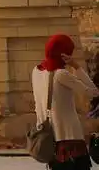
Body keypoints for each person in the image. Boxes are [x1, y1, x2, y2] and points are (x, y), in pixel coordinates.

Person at [31, 34, 99, 170]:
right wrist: (76, 66)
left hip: (49, 137)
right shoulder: (61, 74)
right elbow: (94, 92)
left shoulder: (36, 71)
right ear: (64, 54)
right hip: (70, 137)